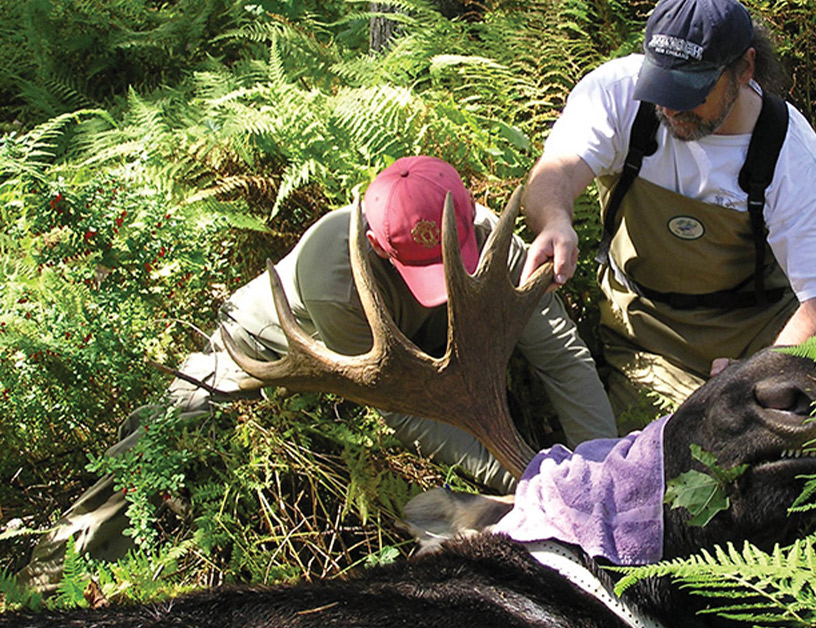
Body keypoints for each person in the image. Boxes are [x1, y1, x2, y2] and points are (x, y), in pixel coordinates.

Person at [18, 155, 617, 592]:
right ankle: (43, 580)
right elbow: (406, 405)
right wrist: (531, 476)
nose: (442, 275)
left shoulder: (490, 240)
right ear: (381, 249)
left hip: (406, 372)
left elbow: (562, 355)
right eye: (419, 267)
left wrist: (600, 474)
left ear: (465, 217)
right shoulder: (335, 268)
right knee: (163, 450)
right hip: (265, 366)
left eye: (450, 254)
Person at [519, 0, 816, 416]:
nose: (671, 108)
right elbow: (555, 172)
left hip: (760, 340)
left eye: (690, 91)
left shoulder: (789, 152)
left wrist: (762, 373)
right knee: (666, 461)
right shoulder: (618, 93)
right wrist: (554, 220)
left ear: (744, 69)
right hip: (646, 338)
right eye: (661, 85)